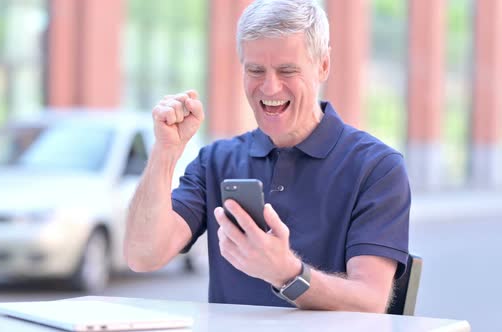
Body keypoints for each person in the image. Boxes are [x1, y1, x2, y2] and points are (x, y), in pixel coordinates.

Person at [125, 0, 409, 313]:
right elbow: (143, 255)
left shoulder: (377, 168)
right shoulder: (216, 160)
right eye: (255, 70)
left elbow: (371, 301)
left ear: (323, 66)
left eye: (287, 70)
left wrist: (287, 273)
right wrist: (165, 152)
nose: (270, 87)